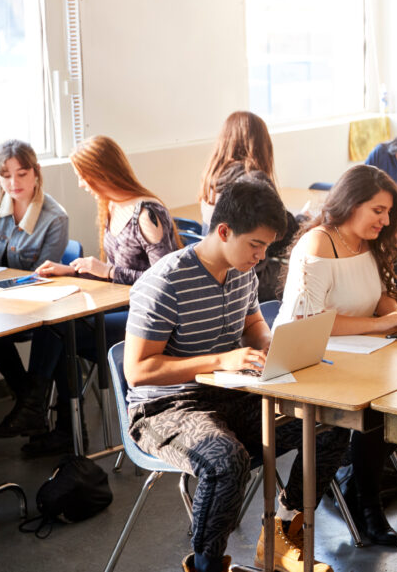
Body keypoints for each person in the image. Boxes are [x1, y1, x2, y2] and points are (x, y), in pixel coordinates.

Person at [125, 180, 342, 572]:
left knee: (328, 423)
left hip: (231, 393)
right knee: (226, 460)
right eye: (255, 245)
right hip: (164, 407)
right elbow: (138, 370)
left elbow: (254, 323)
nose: (260, 257)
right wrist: (220, 360)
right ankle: (208, 566)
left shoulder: (242, 271)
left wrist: (272, 347)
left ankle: (282, 534)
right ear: (223, 231)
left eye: (266, 247)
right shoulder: (165, 282)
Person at [276, 165, 397, 547]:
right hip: (308, 358)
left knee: (390, 401)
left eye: (389, 211)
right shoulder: (318, 243)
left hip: (359, 352)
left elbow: (377, 297)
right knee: (371, 408)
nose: (386, 219)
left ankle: (365, 499)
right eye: (378, 210)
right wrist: (380, 325)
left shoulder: (368, 242)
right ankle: (367, 506)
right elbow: (308, 322)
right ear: (351, 203)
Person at [12, 135, 181, 454]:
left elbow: (165, 282)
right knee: (58, 327)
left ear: (101, 172)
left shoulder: (147, 212)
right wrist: (74, 270)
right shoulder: (111, 206)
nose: (80, 184)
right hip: (119, 307)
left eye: (82, 175)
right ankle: (54, 422)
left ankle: (43, 413)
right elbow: (112, 273)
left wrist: (108, 272)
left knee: (61, 329)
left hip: (147, 321)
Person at [0, 139, 69, 437]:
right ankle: (31, 403)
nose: (13, 183)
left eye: (22, 174)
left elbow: (40, 278)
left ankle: (30, 405)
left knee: (56, 328)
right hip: (2, 303)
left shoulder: (55, 217)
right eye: (5, 175)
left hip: (35, 306)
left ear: (36, 173)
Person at [198, 112, 299, 301]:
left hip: (221, 274)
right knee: (307, 275)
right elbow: (283, 235)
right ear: (262, 145)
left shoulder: (211, 179)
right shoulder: (253, 181)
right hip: (251, 276)